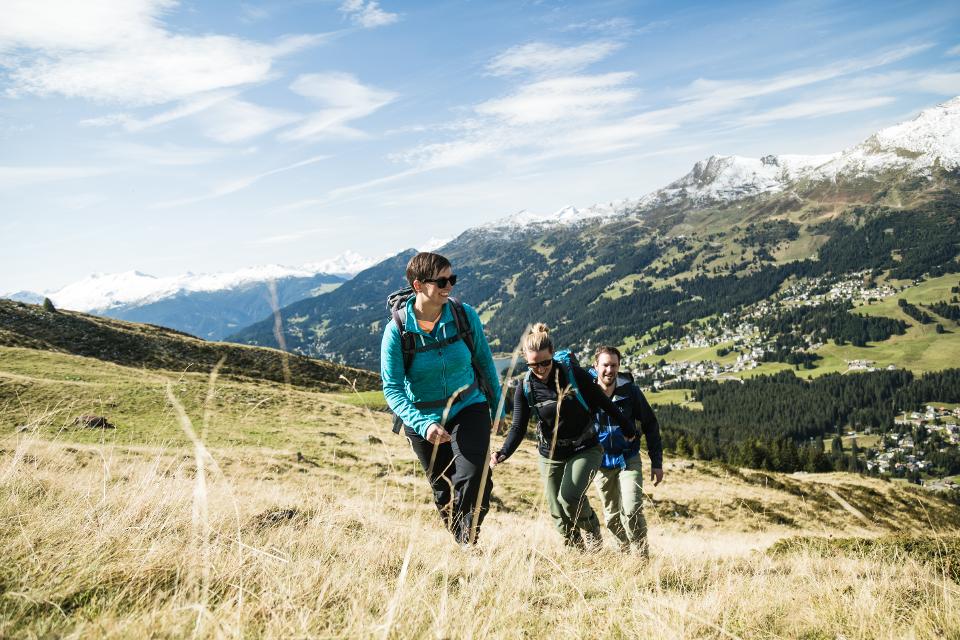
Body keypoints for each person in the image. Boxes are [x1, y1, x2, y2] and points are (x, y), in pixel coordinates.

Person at [380, 252, 504, 546]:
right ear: (418, 285)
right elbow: (392, 388)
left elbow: (485, 362)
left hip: (468, 406)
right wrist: (423, 424)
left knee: (475, 477)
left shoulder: (464, 315)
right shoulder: (397, 331)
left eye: (452, 279)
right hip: (423, 417)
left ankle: (467, 543)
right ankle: (461, 539)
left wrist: (498, 407)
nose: (449, 286)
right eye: (442, 281)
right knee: (444, 489)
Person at [489, 324, 637, 549]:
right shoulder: (526, 386)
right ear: (526, 361)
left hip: (585, 447)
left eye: (545, 363)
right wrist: (503, 452)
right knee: (557, 511)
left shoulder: (573, 375)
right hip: (550, 452)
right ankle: (576, 551)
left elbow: (603, 402)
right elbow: (518, 427)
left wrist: (627, 427)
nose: (540, 369)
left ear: (552, 354)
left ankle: (591, 529)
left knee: (568, 497)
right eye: (533, 365)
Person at [590, 345, 664, 557]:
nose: (609, 370)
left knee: (631, 510)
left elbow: (650, 424)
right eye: (605, 365)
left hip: (628, 459)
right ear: (595, 366)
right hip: (601, 463)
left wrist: (656, 462)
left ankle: (641, 557)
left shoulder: (630, 391)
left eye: (614, 365)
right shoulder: (587, 392)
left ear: (619, 366)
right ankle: (623, 557)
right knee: (612, 517)